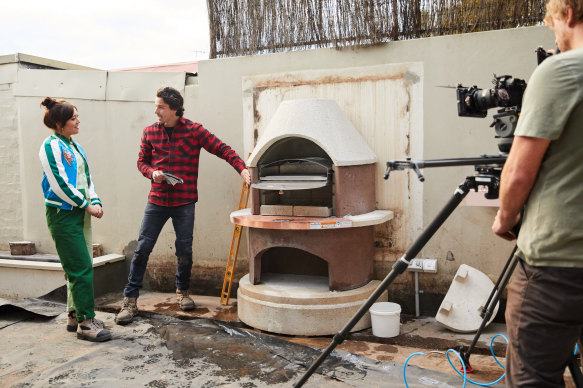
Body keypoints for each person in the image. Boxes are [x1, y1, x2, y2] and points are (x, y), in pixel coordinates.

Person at [491, 0, 583, 386]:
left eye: (555, 25)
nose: (556, 37)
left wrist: (504, 218)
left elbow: (517, 173)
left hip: (557, 267)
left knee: (533, 379)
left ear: (570, 13)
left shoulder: (561, 71)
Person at [115, 87, 251, 325]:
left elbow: (223, 149)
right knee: (142, 249)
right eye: (156, 106)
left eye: (161, 107)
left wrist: (242, 168)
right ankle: (129, 300)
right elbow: (141, 162)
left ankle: (183, 292)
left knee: (184, 251)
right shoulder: (149, 132)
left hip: (184, 201)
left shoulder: (194, 131)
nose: (155, 111)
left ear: (174, 109)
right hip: (156, 201)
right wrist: (152, 172)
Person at [39, 97, 111, 342]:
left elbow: (86, 179)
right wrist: (85, 204)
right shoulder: (50, 146)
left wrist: (96, 200)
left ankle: (74, 315)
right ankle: (86, 324)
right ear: (60, 124)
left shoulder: (75, 146)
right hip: (63, 215)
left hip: (81, 213)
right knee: (80, 269)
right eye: (73, 118)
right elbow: (60, 184)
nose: (78, 121)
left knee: (80, 267)